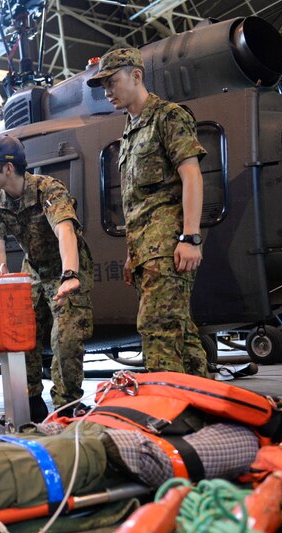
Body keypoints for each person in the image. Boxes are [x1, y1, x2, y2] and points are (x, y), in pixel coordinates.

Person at [87, 48, 208, 377]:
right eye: (103, 86)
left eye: (112, 82)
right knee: (179, 329)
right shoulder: (129, 131)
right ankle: (203, 400)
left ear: (136, 75)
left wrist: (191, 237)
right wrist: (132, 254)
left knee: (156, 327)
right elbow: (136, 202)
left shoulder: (168, 116)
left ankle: (167, 409)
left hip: (170, 246)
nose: (108, 92)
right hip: (146, 251)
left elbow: (191, 176)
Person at [0, 135, 94, 422]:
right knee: (22, 335)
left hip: (66, 268)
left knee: (65, 338)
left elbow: (65, 230)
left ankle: (67, 406)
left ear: (8, 167)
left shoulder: (47, 189)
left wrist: (71, 275)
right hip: (34, 270)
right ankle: (31, 402)